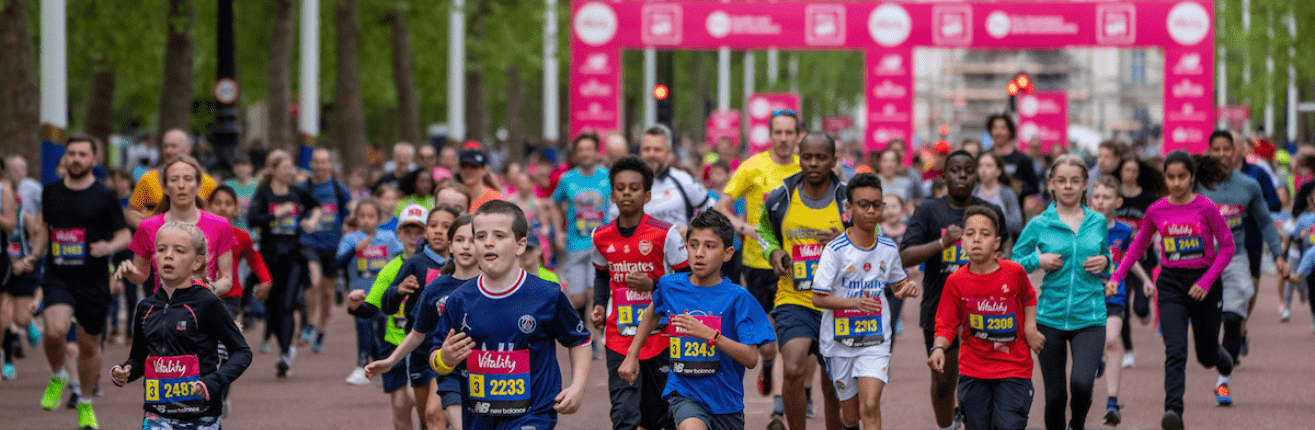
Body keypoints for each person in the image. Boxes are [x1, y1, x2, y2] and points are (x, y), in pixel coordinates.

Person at [429, 200, 592, 429]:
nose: (488, 243)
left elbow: (580, 340)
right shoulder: (459, 300)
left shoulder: (547, 295)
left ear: (520, 245)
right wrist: (444, 359)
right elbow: (436, 355)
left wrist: (577, 387)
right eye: (481, 236)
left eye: (499, 236)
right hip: (479, 416)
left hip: (533, 415)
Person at [1105, 150, 1236, 429]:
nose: (1176, 183)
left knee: (1205, 355)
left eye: (1182, 177)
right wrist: (1117, 276)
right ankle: (1173, 412)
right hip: (1172, 284)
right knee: (1175, 350)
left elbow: (1227, 247)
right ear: (1164, 177)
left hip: (1205, 284)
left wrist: (1206, 280)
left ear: (1191, 177)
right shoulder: (1157, 210)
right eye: (1171, 177)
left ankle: (1223, 362)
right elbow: (1137, 247)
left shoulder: (1206, 207)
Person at [618, 209, 776, 430]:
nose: (699, 253)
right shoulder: (670, 286)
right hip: (685, 392)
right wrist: (632, 355)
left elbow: (751, 359)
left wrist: (710, 335)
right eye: (693, 245)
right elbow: (652, 312)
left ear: (728, 253)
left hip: (726, 402)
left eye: (709, 246)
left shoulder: (739, 298)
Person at [899, 149, 1008, 430]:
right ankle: (946, 427)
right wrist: (941, 244)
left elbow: (1004, 251)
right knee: (943, 380)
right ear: (944, 175)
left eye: (968, 170)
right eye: (955, 170)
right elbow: (904, 256)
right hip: (940, 306)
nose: (962, 175)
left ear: (977, 175)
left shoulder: (990, 211)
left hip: (984, 308)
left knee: (983, 377)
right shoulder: (928, 210)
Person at [28, 135, 131, 428]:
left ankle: (85, 402)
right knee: (54, 331)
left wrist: (108, 248)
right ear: (65, 158)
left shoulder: (105, 195)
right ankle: (58, 374)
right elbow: (45, 231)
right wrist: (34, 256)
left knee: (89, 345)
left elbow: (123, 234)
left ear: (93, 160)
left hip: (93, 277)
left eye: (82, 154)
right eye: (71, 154)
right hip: (59, 274)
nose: (75, 159)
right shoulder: (51, 192)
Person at [109, 221, 251, 429]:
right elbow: (139, 358)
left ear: (196, 262)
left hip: (201, 416)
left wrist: (214, 381)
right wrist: (125, 370)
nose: (168, 255)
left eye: (179, 251)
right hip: (157, 416)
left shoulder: (207, 303)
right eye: (161, 249)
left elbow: (242, 352)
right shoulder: (146, 307)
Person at [811, 172, 921, 430]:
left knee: (869, 406)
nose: (871, 211)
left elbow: (897, 284)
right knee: (850, 416)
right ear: (849, 208)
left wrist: (907, 288)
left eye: (876, 205)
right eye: (863, 205)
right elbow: (818, 298)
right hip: (839, 342)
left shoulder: (888, 248)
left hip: (875, 340)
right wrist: (854, 304)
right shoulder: (835, 250)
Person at [1011, 155, 1111, 430]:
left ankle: (1077, 424)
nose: (1068, 186)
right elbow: (1014, 261)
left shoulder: (1097, 221)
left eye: (1075, 181)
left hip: (1089, 316)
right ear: (1051, 184)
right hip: (1050, 317)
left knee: (1081, 383)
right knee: (1055, 396)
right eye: (1062, 180)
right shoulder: (1040, 223)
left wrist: (1105, 262)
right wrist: (1038, 261)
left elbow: (1106, 256)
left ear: (1084, 185)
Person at [589, 156, 689, 430]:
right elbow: (601, 275)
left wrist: (654, 285)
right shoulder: (601, 236)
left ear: (646, 195)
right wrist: (599, 305)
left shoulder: (665, 234)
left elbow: (686, 281)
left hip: (660, 336)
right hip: (618, 335)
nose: (626, 193)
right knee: (624, 414)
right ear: (612, 195)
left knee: (658, 415)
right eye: (620, 188)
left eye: (634, 188)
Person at [758, 132, 848, 429]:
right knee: (794, 368)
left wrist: (844, 241)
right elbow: (764, 232)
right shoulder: (781, 197)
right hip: (794, 298)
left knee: (835, 381)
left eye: (821, 157)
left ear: (833, 161)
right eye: (807, 157)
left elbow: (873, 241)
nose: (813, 163)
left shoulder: (848, 199)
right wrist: (774, 252)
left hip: (838, 303)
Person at [715, 110, 801, 407]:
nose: (784, 138)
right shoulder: (752, 168)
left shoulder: (806, 169)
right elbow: (721, 208)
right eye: (778, 132)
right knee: (767, 340)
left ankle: (780, 399)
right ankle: (768, 363)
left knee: (786, 330)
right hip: (756, 262)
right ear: (770, 134)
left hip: (793, 263)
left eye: (789, 132)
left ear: (797, 136)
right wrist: (746, 229)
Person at [928, 206, 1043, 430]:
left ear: (997, 243)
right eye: (970, 234)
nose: (977, 240)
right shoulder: (956, 281)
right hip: (973, 371)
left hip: (1014, 368)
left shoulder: (1014, 272)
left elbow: (1029, 298)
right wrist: (938, 348)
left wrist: (1030, 329)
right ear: (962, 241)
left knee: (1008, 426)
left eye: (985, 234)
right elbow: (946, 324)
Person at [364, 213, 478, 430]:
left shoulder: (491, 284)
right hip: (442, 363)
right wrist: (390, 361)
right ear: (450, 246)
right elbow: (418, 332)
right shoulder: (436, 287)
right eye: (460, 240)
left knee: (443, 415)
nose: (466, 246)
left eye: (473, 240)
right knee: (432, 418)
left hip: (483, 366)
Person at [1202, 130, 1288, 374]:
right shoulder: (1195, 184)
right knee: (1206, 336)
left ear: (1236, 151)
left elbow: (1266, 222)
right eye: (1215, 149)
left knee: (1232, 318)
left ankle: (1224, 383)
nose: (1221, 155)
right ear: (1209, 152)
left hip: (1236, 256)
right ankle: (1215, 350)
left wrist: (1279, 256)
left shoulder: (1250, 185)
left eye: (1226, 149)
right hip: (1202, 261)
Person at [348, 205, 436, 430]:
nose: (413, 237)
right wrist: (354, 306)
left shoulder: (437, 268)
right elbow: (371, 308)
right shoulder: (389, 270)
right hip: (395, 343)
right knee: (400, 405)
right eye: (408, 231)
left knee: (421, 401)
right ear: (398, 233)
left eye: (418, 231)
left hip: (424, 345)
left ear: (428, 233)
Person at [247, 150, 322, 378]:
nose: (289, 171)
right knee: (273, 307)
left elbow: (316, 206)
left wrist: (311, 220)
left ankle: (285, 357)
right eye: (285, 167)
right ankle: (284, 349)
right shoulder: (263, 194)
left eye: (291, 167)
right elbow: (252, 220)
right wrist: (277, 213)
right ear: (273, 170)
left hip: (293, 257)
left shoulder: (298, 192)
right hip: (270, 257)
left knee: (288, 304)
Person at [117, 156, 236, 298]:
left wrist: (211, 288)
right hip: (163, 312)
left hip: (204, 312)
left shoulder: (220, 225)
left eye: (187, 179)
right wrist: (130, 272)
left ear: (198, 185)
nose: (181, 185)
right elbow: (141, 275)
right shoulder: (148, 226)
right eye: (174, 179)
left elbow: (227, 279)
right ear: (165, 187)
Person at [1089, 175, 1152, 426]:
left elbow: (1130, 258)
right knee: (1094, 346)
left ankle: (1112, 403)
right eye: (1097, 197)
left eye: (1107, 197)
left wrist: (1146, 280)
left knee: (1112, 341)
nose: (1101, 201)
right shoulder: (1084, 227)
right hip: (1088, 295)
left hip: (1115, 295)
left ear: (1118, 201)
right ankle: (1097, 362)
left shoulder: (1124, 230)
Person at [552, 133, 611, 345]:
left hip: (600, 244)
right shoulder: (567, 179)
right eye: (581, 149)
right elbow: (553, 204)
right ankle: (579, 329)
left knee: (593, 292)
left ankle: (591, 340)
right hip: (574, 243)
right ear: (576, 154)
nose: (585, 153)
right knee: (577, 297)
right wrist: (558, 231)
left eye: (589, 149)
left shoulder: (607, 177)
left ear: (597, 152)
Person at [336, 198, 403, 385]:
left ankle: (384, 366)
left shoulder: (388, 237)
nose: (366, 220)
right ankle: (361, 364)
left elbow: (402, 257)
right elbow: (338, 263)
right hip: (360, 295)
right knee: (363, 326)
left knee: (382, 330)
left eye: (371, 216)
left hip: (384, 295)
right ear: (356, 218)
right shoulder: (350, 239)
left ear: (379, 218)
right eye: (362, 216)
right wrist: (354, 250)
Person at [1113, 156, 1166, 366]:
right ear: (1121, 173)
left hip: (1142, 256)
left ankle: (1144, 313)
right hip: (1118, 259)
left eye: (1134, 170)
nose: (1130, 174)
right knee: (1121, 303)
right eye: (1126, 170)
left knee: (1140, 307)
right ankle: (1128, 350)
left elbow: (1156, 225)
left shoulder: (1148, 198)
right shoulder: (1115, 198)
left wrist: (1143, 239)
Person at [299, 148, 353, 353]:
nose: (321, 166)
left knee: (328, 291)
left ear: (330, 165)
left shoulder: (339, 189)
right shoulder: (304, 187)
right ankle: (310, 322)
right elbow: (296, 210)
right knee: (313, 281)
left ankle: (321, 329)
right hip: (309, 242)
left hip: (332, 244)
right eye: (317, 162)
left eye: (325, 162)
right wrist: (302, 222)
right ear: (311, 164)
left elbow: (350, 209)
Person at [128, 129, 220, 227]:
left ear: (188, 148)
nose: (168, 151)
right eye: (165, 146)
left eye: (173, 146)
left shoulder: (208, 182)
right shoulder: (147, 179)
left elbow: (217, 215)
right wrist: (148, 229)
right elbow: (131, 212)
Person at [207, 185, 273, 320]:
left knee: (222, 333)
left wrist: (266, 279)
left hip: (230, 298)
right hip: (203, 296)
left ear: (236, 209)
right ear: (208, 207)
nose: (223, 208)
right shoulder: (197, 233)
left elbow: (255, 259)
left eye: (228, 204)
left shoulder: (242, 236)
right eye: (217, 203)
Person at [628, 124, 714, 227]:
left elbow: (714, 211)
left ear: (668, 152)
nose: (651, 154)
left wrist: (693, 231)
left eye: (657, 149)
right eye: (646, 149)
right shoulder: (627, 185)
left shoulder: (684, 180)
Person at [987, 114, 1040, 203]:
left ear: (1010, 131)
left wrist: (1020, 188)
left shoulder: (1022, 159)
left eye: (1003, 128)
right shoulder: (984, 157)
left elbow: (1034, 187)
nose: (998, 132)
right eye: (995, 128)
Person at [974, 153, 1023, 239]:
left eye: (988, 166)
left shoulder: (1007, 193)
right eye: (980, 165)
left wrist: (994, 218)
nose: (983, 170)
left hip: (1002, 245)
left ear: (998, 171)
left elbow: (1018, 224)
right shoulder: (973, 192)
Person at [222, 158, 258, 231]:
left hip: (254, 234)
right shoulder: (227, 185)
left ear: (251, 167)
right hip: (232, 231)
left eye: (244, 165)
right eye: (237, 165)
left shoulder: (259, 185)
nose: (240, 168)